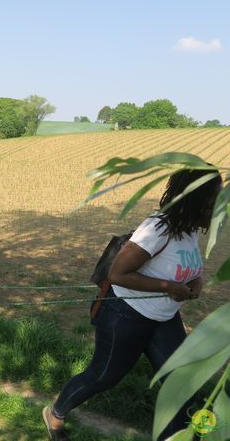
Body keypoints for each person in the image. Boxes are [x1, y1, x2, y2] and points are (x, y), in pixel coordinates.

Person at [43, 167, 222, 441]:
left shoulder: (188, 230)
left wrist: (196, 281)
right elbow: (118, 274)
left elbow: (187, 266)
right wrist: (170, 288)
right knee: (103, 376)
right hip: (126, 315)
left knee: (180, 382)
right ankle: (55, 414)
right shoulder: (158, 228)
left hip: (164, 318)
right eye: (214, 197)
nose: (218, 203)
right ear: (196, 198)